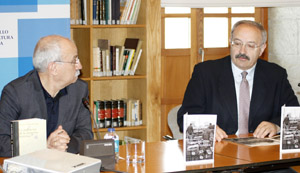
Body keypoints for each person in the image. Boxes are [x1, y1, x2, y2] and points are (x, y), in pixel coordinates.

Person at [177, 20, 299, 142]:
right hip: (220, 149)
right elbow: (185, 116)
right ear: (230, 43)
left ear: (262, 49)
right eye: (237, 43)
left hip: (261, 151)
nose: (242, 51)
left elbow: (295, 114)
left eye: (250, 45)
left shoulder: (276, 75)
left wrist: (275, 126)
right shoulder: (206, 73)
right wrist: (207, 129)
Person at [0, 35, 93, 157]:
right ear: (53, 68)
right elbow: (2, 141)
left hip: (64, 165)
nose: (79, 66)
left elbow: (85, 133)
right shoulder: (15, 93)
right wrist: (44, 146)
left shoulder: (79, 89)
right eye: (74, 60)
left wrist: (63, 146)